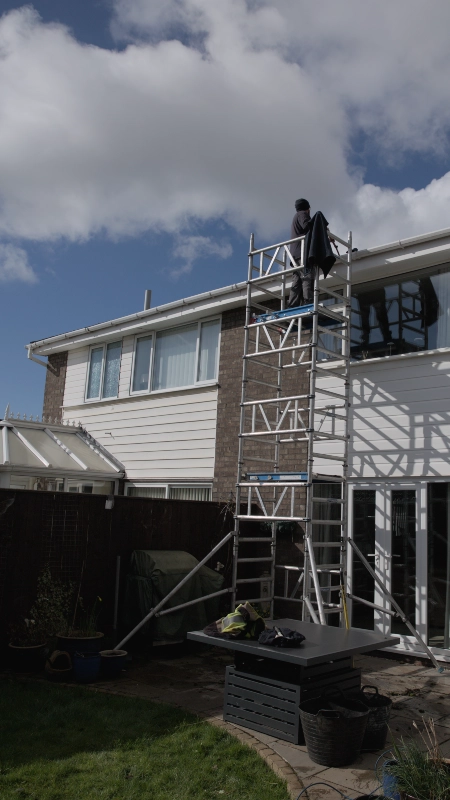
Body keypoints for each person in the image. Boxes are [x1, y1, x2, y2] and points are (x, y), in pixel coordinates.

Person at [287, 198, 314, 308]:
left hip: (294, 255)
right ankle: (308, 302)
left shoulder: (295, 216)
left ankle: (292, 305)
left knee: (297, 281)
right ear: (307, 208)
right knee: (307, 276)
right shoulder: (302, 214)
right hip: (302, 253)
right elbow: (306, 226)